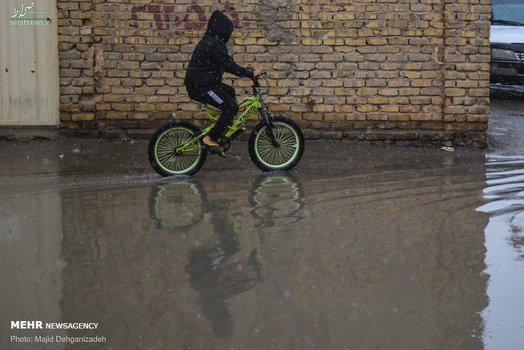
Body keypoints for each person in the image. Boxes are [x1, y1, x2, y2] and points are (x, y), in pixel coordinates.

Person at [184, 10, 262, 157]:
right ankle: (211, 138)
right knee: (231, 107)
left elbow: (223, 63)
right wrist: (250, 74)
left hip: (205, 83)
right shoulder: (214, 43)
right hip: (202, 87)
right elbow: (228, 65)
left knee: (230, 92)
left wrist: (242, 69)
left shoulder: (211, 41)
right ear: (222, 30)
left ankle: (223, 127)